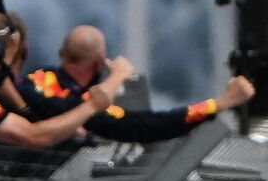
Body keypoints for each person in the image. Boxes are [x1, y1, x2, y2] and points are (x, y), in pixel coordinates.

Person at [19, 26, 257, 143]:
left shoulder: (35, 81)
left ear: (61, 52)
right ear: (101, 62)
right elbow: (148, 125)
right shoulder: (85, 105)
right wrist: (221, 103)